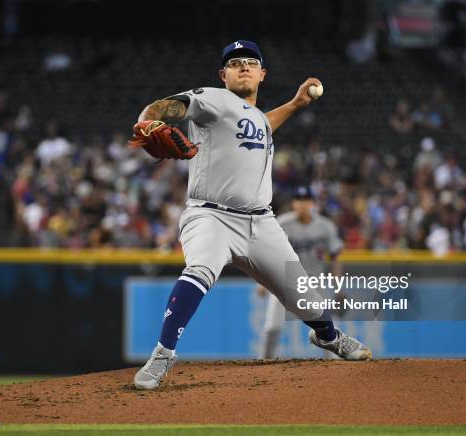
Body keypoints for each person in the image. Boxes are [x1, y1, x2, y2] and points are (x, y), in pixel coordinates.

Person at [132, 40, 371, 390]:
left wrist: (295, 104)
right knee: (200, 270)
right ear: (223, 74)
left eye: (250, 61)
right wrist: (147, 122)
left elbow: (262, 125)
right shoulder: (214, 99)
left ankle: (328, 337)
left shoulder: (255, 118)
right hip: (210, 216)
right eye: (234, 62)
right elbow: (164, 107)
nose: (242, 65)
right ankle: (163, 354)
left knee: (306, 300)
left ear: (262, 74)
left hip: (261, 224)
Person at [257, 186, 344, 359]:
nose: (301, 204)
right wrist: (262, 282)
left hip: (315, 282)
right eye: (297, 200)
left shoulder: (325, 226)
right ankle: (263, 364)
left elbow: (335, 258)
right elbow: (266, 252)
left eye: (305, 200)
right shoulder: (283, 223)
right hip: (285, 280)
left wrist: (339, 288)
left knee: (328, 330)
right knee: (272, 328)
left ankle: (335, 369)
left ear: (313, 203)